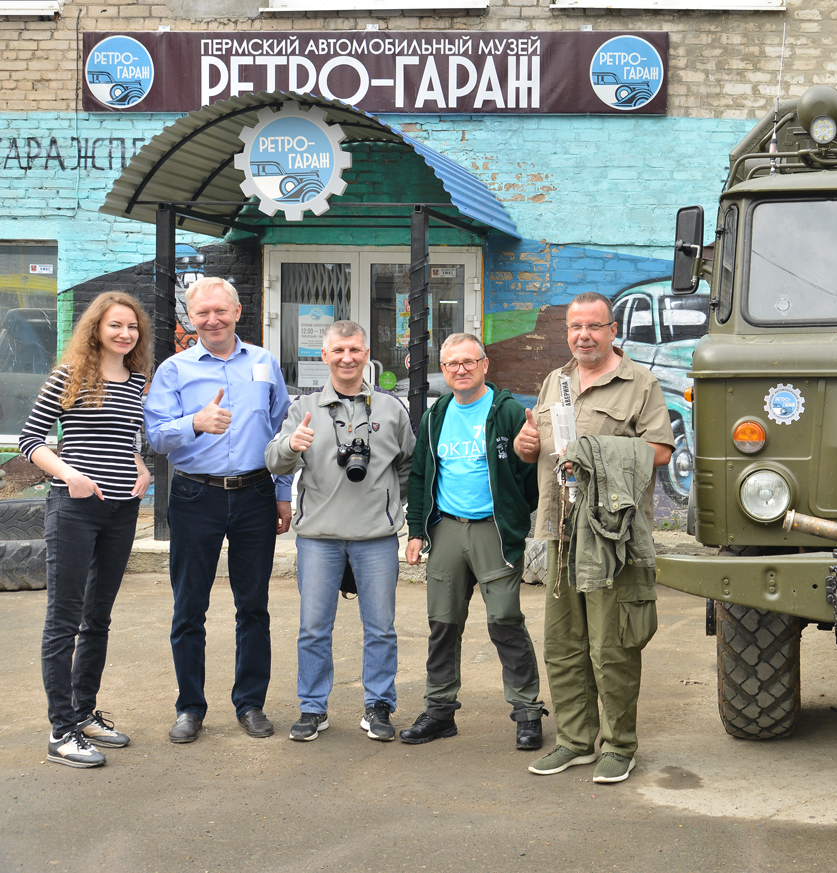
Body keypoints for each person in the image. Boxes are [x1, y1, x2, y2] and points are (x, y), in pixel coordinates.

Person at [514, 292, 673, 784]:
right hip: (560, 529)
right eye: (575, 327)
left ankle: (619, 745)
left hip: (611, 535)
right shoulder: (555, 382)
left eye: (594, 326)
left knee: (612, 646)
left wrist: (594, 449)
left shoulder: (640, 383)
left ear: (612, 331)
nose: (583, 336)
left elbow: (660, 451)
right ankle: (575, 741)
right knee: (563, 644)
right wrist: (526, 445)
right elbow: (539, 448)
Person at [144, 277, 292, 743]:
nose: (212, 320)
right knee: (190, 607)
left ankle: (250, 704)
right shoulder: (174, 370)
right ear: (190, 318)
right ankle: (190, 707)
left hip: (255, 493)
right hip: (196, 496)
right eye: (202, 313)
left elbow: (282, 431)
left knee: (254, 606)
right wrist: (195, 422)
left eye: (220, 311)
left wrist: (283, 492)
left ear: (237, 312)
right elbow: (156, 436)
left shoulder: (264, 362)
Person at [20, 292, 153, 768]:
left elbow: (123, 436)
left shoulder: (137, 381)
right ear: (96, 328)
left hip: (122, 511)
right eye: (115, 325)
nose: (124, 333)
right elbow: (30, 439)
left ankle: (82, 712)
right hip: (74, 509)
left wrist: (141, 465)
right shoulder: (71, 375)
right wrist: (68, 474)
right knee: (64, 620)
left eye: (132, 327)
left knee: (98, 618)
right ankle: (61, 731)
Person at [265, 320, 414, 742]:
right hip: (319, 537)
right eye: (338, 351)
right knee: (313, 628)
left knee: (381, 628)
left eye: (354, 350)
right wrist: (291, 445)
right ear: (325, 356)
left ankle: (379, 705)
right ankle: (313, 708)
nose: (347, 358)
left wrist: (388, 503)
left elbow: (408, 465)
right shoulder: (304, 407)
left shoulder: (391, 408)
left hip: (376, 537)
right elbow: (273, 460)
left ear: (366, 355)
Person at [400, 333, 546, 748]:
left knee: (504, 619)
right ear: (443, 370)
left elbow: (530, 474)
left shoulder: (507, 412)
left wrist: (514, 515)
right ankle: (439, 711)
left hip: (492, 530)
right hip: (446, 528)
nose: (460, 370)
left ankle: (527, 712)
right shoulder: (436, 415)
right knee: (443, 623)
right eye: (452, 364)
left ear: (485, 365)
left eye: (469, 361)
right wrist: (416, 530)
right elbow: (420, 475)